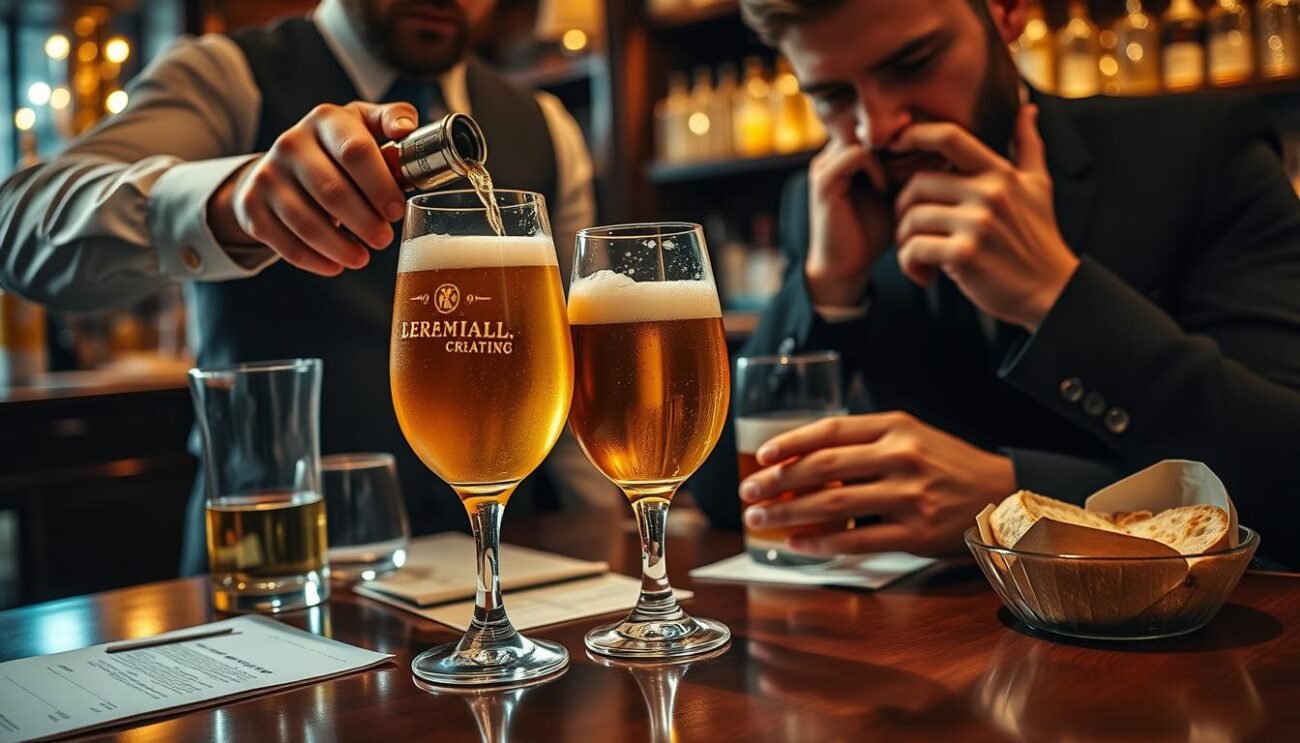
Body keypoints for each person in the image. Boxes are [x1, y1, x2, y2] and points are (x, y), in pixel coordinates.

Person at [0, 0, 616, 575]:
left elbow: (569, 366)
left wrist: (618, 547)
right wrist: (228, 203)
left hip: (515, 577)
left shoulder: (546, 127)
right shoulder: (228, 75)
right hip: (278, 570)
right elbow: (20, 229)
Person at [691, 0, 1300, 566]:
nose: (877, 128)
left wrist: (1057, 299)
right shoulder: (830, 203)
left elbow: (1284, 471)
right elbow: (729, 498)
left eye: (912, 64)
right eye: (830, 95)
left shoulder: (1199, 149)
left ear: (1007, 11)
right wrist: (825, 290)